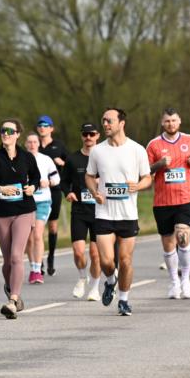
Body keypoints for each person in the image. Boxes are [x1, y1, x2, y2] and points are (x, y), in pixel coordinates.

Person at [85, 108, 152, 316]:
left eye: (109, 121)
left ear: (122, 123)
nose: (105, 124)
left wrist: (137, 186)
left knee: (125, 260)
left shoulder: (137, 149)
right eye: (103, 120)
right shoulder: (97, 151)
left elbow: (147, 178)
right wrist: (95, 192)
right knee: (106, 262)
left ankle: (123, 300)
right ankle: (110, 280)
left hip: (128, 215)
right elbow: (89, 176)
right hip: (104, 213)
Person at [0, 119, 41, 318]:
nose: (6, 134)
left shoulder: (27, 157)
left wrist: (33, 187)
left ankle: (13, 300)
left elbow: (36, 177)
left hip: (24, 210)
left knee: (16, 256)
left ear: (17, 134)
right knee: (6, 261)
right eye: (3, 130)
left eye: (10, 131)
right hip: (1, 213)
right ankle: (12, 289)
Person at [145, 108, 190, 300]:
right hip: (163, 201)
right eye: (167, 121)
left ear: (179, 122)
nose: (170, 124)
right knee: (168, 244)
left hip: (186, 198)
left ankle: (185, 280)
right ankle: (173, 282)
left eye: (173, 120)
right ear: (162, 123)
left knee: (182, 236)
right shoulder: (153, 144)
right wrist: (160, 164)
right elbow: (145, 170)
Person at [63, 123, 102, 300]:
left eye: (91, 134)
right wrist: (68, 192)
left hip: (99, 211)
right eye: (85, 134)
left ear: (97, 136)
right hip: (79, 210)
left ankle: (94, 287)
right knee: (78, 252)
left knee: (95, 254)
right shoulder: (73, 159)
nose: (88, 137)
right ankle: (82, 277)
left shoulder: (104, 156)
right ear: (82, 136)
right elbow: (64, 182)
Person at [36, 115, 70, 276]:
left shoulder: (59, 146)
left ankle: (51, 257)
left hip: (55, 190)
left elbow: (70, 165)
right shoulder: (34, 146)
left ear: (51, 128)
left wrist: (62, 163)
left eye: (46, 125)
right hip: (37, 192)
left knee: (52, 225)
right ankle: (39, 259)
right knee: (38, 228)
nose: (42, 127)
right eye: (40, 125)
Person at [25, 131, 60, 284]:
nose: (32, 144)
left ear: (39, 144)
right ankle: (32, 268)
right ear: (25, 144)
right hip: (25, 202)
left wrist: (49, 182)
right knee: (29, 238)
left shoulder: (46, 160)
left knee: (38, 234)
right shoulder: (21, 160)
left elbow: (56, 178)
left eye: (35, 142)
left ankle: (38, 270)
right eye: (29, 142)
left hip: (43, 201)